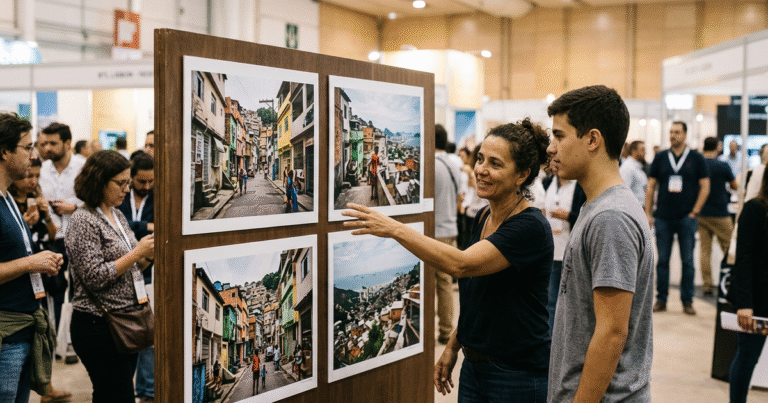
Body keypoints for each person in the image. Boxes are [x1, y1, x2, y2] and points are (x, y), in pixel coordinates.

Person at [344, 118, 553, 401]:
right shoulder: (484, 216)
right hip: (474, 367)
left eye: (495, 163)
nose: (481, 170)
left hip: (516, 374)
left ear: (522, 175)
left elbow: (461, 264)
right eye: (480, 159)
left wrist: (394, 228)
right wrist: (453, 346)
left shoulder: (530, 227)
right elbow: (478, 296)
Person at [546, 85, 654, 402]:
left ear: (592, 139)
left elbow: (611, 333)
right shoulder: (599, 207)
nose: (551, 148)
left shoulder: (611, 217)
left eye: (559, 136)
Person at [65, 150, 155, 403]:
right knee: (118, 395)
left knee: (112, 394)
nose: (127, 189)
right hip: (99, 325)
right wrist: (138, 252)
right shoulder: (83, 220)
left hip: (126, 322)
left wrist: (149, 255)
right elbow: (95, 276)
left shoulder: (116, 215)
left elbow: (129, 269)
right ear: (99, 180)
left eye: (128, 182)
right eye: (121, 183)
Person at [0, 112, 63, 403]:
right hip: (7, 334)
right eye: (27, 147)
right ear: (4, 151)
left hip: (24, 328)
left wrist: (40, 260)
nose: (33, 155)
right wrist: (30, 263)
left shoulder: (8, 197)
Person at [645, 121, 710, 315]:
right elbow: (651, 186)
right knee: (662, 260)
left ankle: (687, 300)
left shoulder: (696, 158)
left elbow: (705, 186)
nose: (673, 135)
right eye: (671, 132)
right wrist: (648, 212)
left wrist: (695, 211)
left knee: (687, 262)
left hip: (686, 218)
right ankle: (661, 299)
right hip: (663, 217)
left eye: (677, 132)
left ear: (685, 134)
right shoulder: (661, 157)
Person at [38, 122, 86, 328]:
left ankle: (73, 337)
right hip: (51, 240)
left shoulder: (83, 167)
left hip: (78, 238)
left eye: (53, 143)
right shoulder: (41, 169)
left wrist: (73, 208)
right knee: (55, 290)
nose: (47, 148)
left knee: (79, 290)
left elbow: (97, 204)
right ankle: (57, 336)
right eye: (45, 143)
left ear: (67, 143)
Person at [117, 154, 155, 403]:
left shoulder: (159, 195)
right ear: (130, 176)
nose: (147, 186)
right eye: (141, 181)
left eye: (151, 181)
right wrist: (146, 227)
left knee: (148, 333)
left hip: (151, 270)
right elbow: (119, 223)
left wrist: (136, 227)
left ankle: (147, 392)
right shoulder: (120, 194)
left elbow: (164, 224)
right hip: (122, 268)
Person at [729, 168, 768, 403]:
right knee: (747, 358)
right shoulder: (755, 209)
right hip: (757, 301)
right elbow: (743, 258)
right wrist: (744, 304)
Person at [542, 174, 585, 334]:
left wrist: (568, 216)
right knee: (550, 301)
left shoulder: (578, 186)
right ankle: (551, 342)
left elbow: (586, 216)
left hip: (570, 251)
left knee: (570, 301)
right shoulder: (547, 183)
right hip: (550, 251)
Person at [699, 137, 738, 296]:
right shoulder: (722, 165)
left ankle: (707, 285)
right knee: (729, 248)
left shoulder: (699, 165)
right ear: (717, 147)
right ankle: (733, 281)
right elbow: (735, 185)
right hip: (721, 212)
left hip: (702, 212)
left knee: (704, 251)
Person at [434, 124, 461, 344]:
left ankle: (445, 330)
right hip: (451, 227)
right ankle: (446, 327)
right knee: (444, 281)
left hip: (436, 231)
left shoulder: (432, 166)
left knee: (438, 282)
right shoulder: (454, 165)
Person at [620, 140, 648, 206]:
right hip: (633, 208)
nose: (645, 153)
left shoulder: (638, 166)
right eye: (642, 150)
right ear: (634, 151)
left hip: (640, 207)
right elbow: (623, 192)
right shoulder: (628, 167)